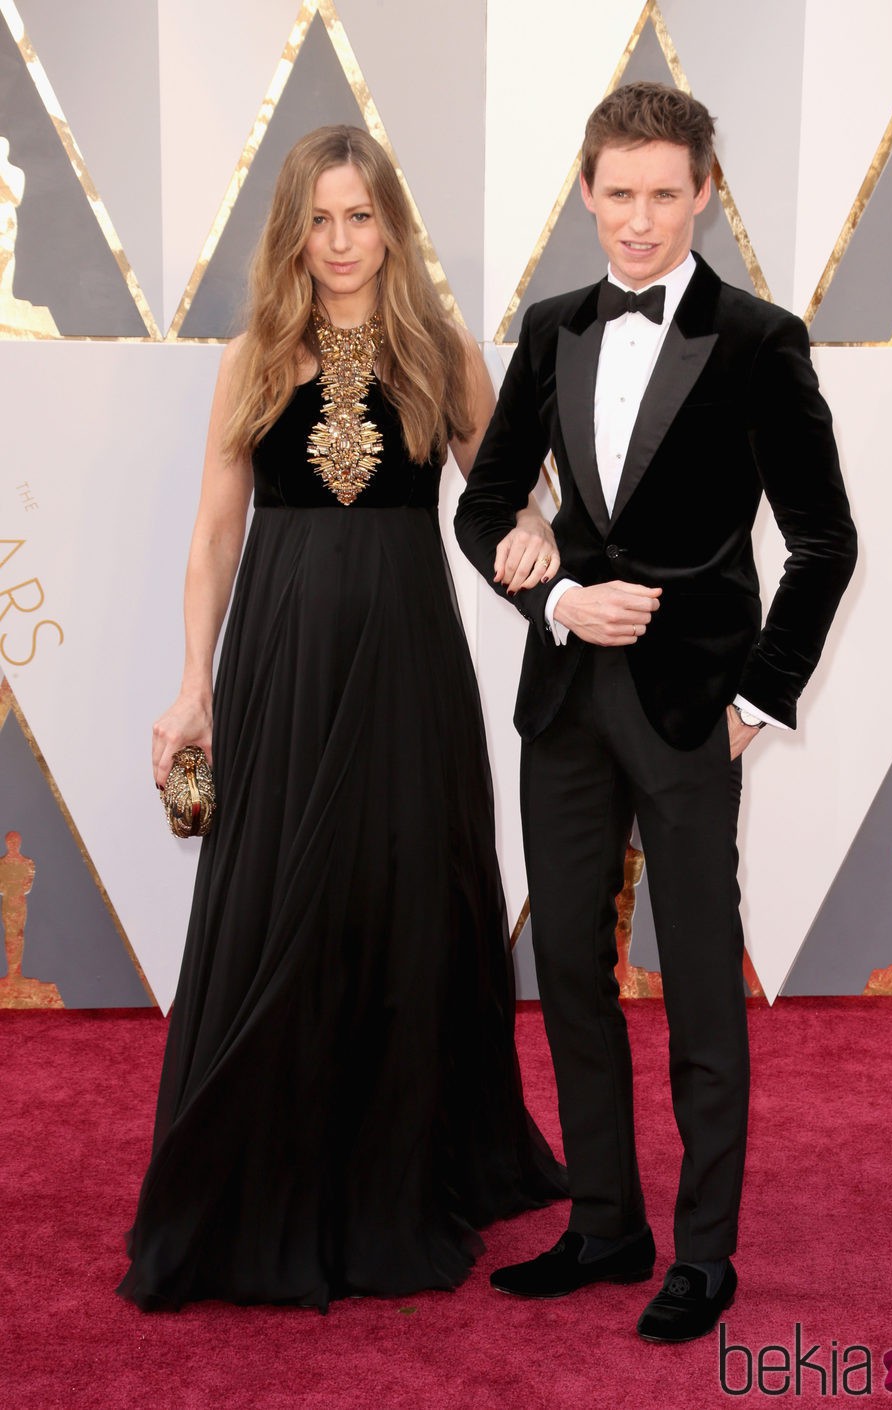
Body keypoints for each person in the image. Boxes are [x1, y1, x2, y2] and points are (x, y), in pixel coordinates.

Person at [118, 125, 566, 1313]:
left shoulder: (437, 348)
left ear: (391, 223)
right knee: (285, 902)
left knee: (406, 888)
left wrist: (541, 535)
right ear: (292, 230)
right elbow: (218, 535)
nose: (340, 243)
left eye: (359, 216)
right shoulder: (255, 351)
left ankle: (400, 1164)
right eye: (319, 220)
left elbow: (508, 494)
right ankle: (272, 1165)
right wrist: (192, 683)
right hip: (281, 659)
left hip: (410, 660)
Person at [455, 82, 857, 1343]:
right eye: (615, 195)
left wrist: (754, 695)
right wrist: (560, 598)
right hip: (566, 701)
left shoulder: (760, 341)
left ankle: (701, 1254)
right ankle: (603, 1221)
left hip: (694, 712)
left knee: (694, 982)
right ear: (585, 192)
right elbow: (484, 511)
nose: (637, 222)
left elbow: (823, 543)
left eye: (662, 196)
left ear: (703, 195)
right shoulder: (550, 326)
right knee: (567, 963)